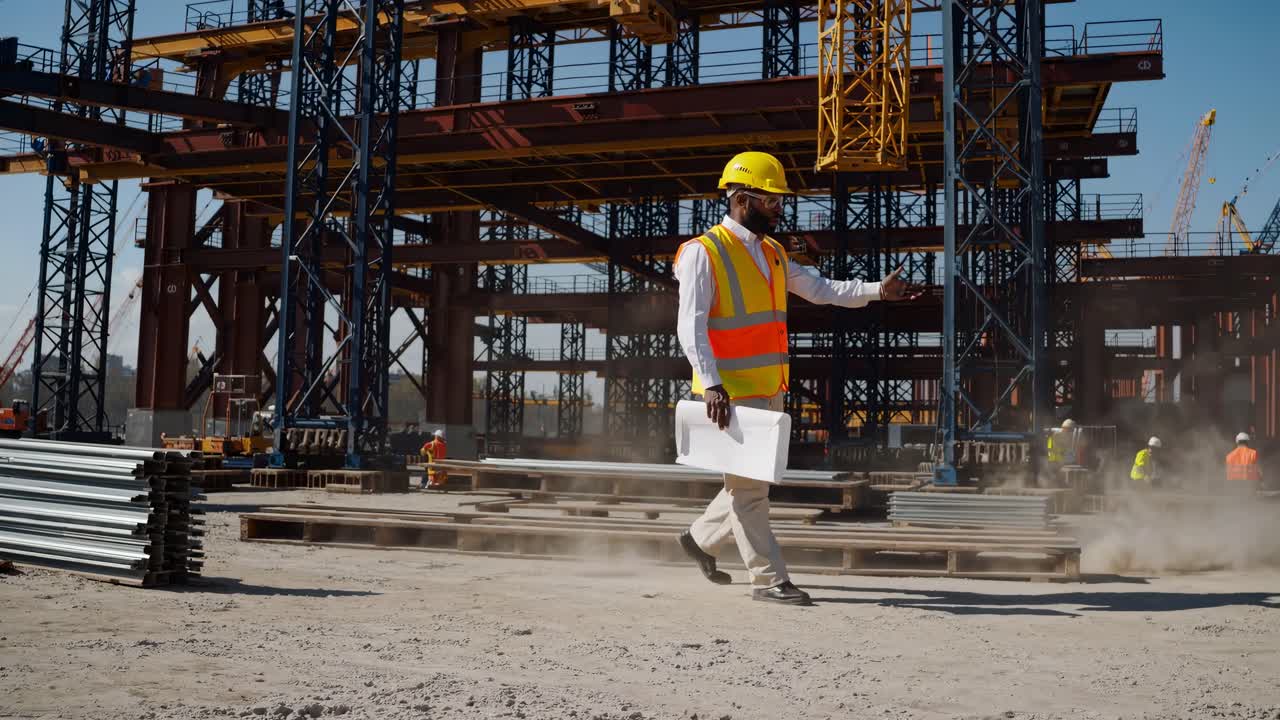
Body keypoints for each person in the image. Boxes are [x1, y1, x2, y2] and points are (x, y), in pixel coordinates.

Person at [673, 151, 922, 605]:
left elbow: (821, 289)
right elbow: (690, 326)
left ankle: (698, 539)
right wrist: (711, 383)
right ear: (743, 198)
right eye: (772, 201)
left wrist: (876, 291)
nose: (780, 209)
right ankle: (769, 581)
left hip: (769, 390)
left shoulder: (772, 253)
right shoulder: (702, 254)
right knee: (750, 493)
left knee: (750, 486)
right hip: (729, 396)